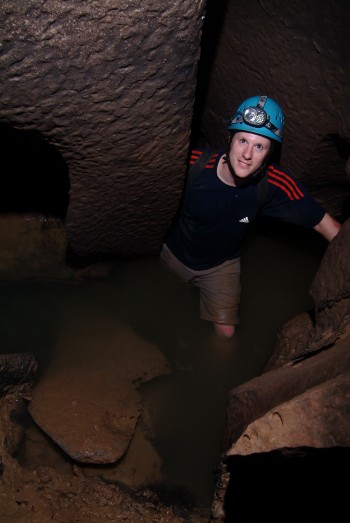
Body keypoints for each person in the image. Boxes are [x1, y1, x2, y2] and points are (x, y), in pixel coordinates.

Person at [160, 95, 341, 339]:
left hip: (220, 266)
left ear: (269, 153)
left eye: (259, 146)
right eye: (243, 140)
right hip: (174, 253)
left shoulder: (274, 185)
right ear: (230, 139)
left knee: (225, 333)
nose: (247, 154)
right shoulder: (192, 164)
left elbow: (325, 224)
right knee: (163, 301)